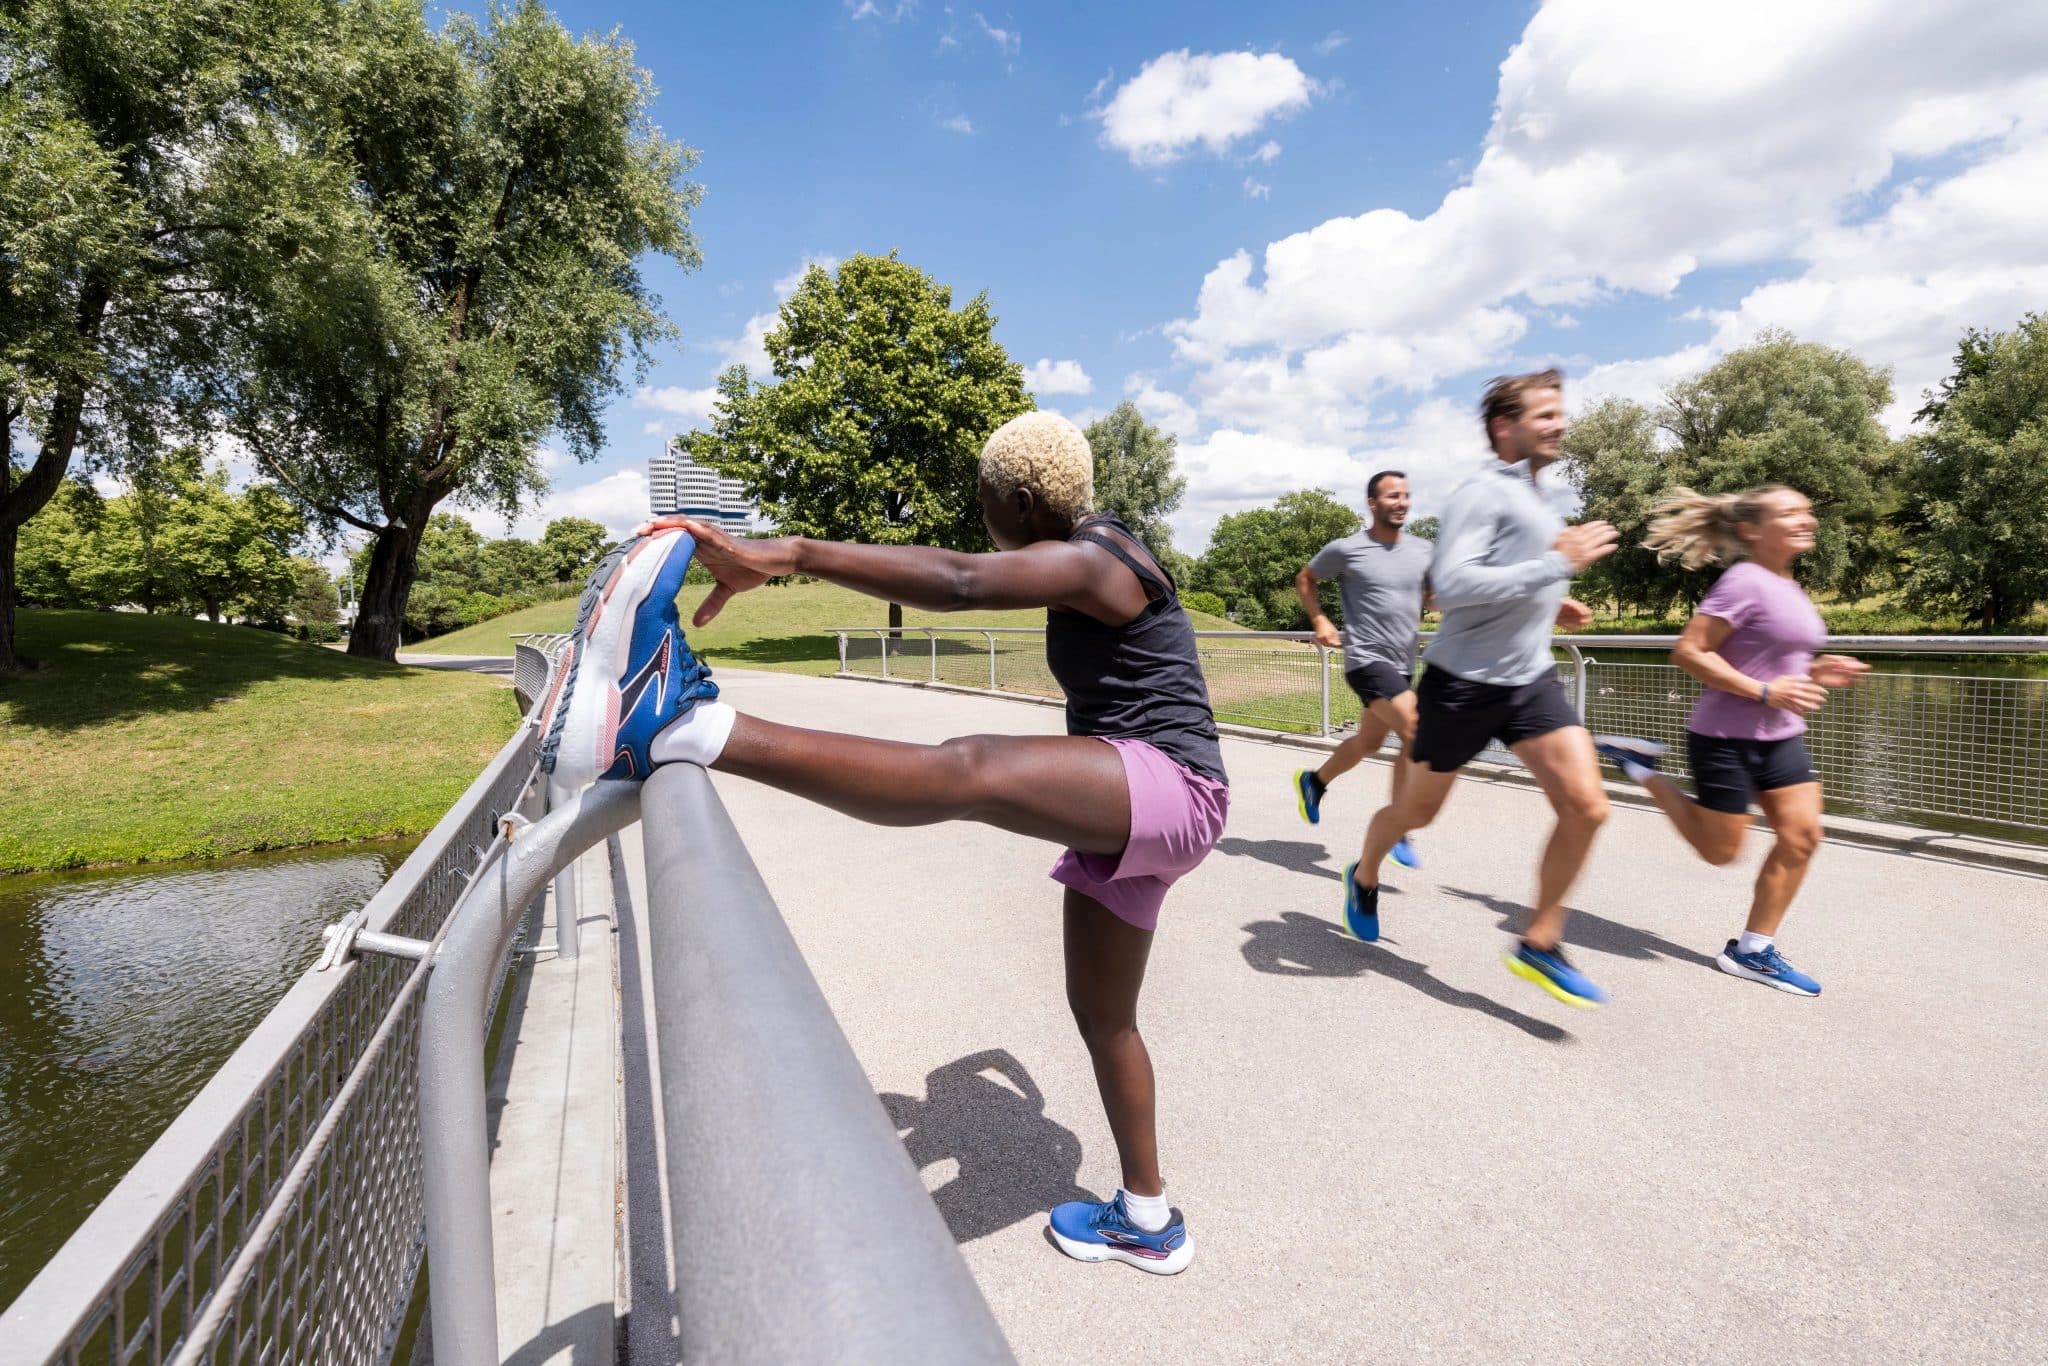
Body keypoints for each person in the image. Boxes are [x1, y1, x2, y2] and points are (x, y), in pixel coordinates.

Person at [537, 411, 1226, 1275]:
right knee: (1104, 1017)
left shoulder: (1102, 557)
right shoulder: (1089, 556)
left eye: (985, 505)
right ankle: (1148, 1220)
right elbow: (975, 571)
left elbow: (964, 581)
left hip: (1167, 783)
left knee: (970, 768)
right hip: (1143, 803)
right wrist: (988, 1080)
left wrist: (789, 552)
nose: (983, 523)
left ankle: (684, 726)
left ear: (1016, 500)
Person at [1344, 369, 1620, 1006]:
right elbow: (1456, 586)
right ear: (1506, 426)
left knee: (1588, 805)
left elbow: (1512, 579)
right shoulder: (1481, 493)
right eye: (1545, 414)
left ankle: (1539, 942)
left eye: (1561, 412)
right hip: (1462, 686)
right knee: (1418, 812)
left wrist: (1555, 601)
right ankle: (1362, 874)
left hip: (1529, 679)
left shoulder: (1535, 497)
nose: (1560, 423)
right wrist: (1559, 564)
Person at [1592, 486, 1867, 997]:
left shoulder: (1789, 583)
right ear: (1752, 530)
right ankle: (1639, 767)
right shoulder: (1743, 581)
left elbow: (1770, 657)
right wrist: (1766, 691)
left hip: (1781, 737)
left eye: (1807, 510)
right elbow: (1690, 653)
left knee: (1803, 835)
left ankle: (1753, 951)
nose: (1806, 519)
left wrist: (1817, 670)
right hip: (1724, 738)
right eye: (1790, 513)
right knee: (1719, 853)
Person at [1290, 470, 1431, 884]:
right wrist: (1319, 619)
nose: (1401, 502)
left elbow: (1433, 594)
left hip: (1403, 662)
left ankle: (1315, 782)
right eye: (1392, 496)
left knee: (1369, 743)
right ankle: (1400, 827)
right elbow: (1305, 578)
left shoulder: (1424, 550)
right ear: (1373, 503)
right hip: (1366, 660)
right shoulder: (1348, 549)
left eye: (1406, 495)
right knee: (1417, 731)